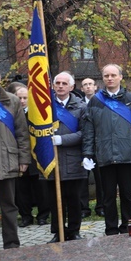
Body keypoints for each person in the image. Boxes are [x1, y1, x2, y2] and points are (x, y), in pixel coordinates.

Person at [81, 64, 131, 236]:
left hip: (126, 155)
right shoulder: (95, 101)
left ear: (120, 77)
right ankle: (111, 228)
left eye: (113, 75)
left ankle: (127, 225)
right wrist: (87, 153)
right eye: (106, 75)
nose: (109, 78)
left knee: (127, 194)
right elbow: (89, 130)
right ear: (102, 78)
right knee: (108, 195)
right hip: (104, 155)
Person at [45, 72, 88, 243]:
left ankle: (74, 230)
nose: (60, 86)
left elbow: (85, 133)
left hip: (73, 159)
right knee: (55, 199)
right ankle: (58, 231)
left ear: (71, 87)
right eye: (57, 83)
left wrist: (62, 140)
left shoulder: (81, 107)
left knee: (74, 199)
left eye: (64, 83)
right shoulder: (46, 107)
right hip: (51, 160)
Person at [0, 64, 30, 249]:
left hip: (7, 158)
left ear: (0, 78)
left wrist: (24, 159)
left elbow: (22, 133)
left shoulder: (13, 101)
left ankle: (12, 244)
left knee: (9, 205)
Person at [8, 83, 49, 227]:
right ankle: (26, 216)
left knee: (41, 189)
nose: (23, 100)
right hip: (18, 155)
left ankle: (43, 215)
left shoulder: (36, 113)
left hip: (37, 155)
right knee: (21, 189)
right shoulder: (10, 113)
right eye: (20, 97)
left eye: (26, 97)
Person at [79, 77, 104, 218]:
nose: (88, 87)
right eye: (85, 85)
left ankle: (101, 206)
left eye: (90, 84)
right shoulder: (79, 105)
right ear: (81, 89)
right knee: (83, 178)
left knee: (101, 179)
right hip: (83, 147)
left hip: (100, 146)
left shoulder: (102, 104)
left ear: (95, 87)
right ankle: (84, 208)